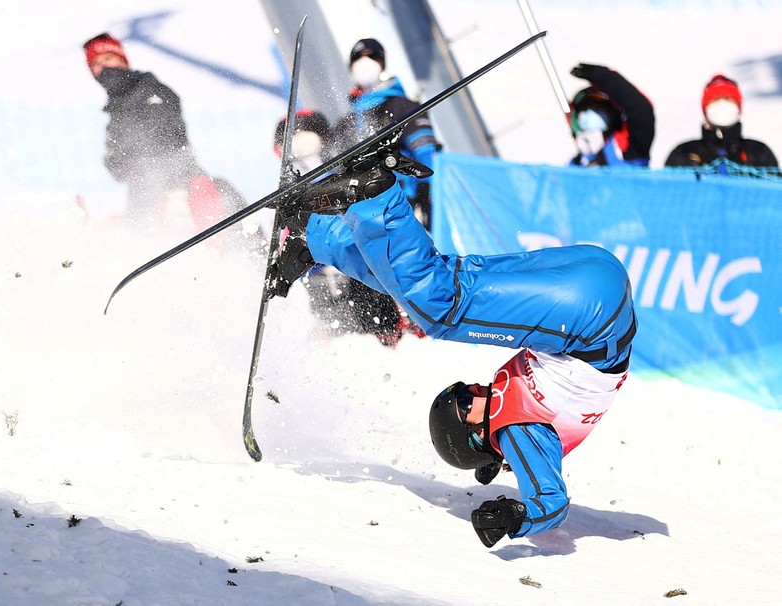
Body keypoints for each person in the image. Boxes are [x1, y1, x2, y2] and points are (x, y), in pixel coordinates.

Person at [268, 146, 636, 548]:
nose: (473, 389)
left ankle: (314, 238)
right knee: (441, 309)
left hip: (597, 286)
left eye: (463, 392)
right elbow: (552, 502)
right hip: (590, 314)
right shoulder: (517, 431)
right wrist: (516, 517)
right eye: (464, 401)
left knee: (430, 289)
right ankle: (376, 192)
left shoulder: (514, 420)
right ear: (477, 435)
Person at [271, 110, 421, 346]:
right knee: (334, 334)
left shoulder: (343, 178)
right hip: (319, 279)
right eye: (294, 145)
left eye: (308, 141)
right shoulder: (288, 191)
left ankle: (393, 335)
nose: (303, 150)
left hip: (358, 273)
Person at [83, 33, 240, 229]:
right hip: (144, 197)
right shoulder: (116, 113)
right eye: (95, 64)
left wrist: (173, 190)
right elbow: (118, 169)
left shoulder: (151, 90)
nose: (104, 68)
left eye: (108, 58)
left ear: (122, 59)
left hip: (180, 190)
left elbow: (168, 141)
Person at [332, 38, 442, 229]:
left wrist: (425, 197)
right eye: (358, 58)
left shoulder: (401, 106)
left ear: (382, 63)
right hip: (361, 215)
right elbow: (336, 169)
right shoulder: (345, 123)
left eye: (372, 56)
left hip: (401, 206)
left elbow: (427, 153)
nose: (365, 63)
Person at [665, 74, 778, 172]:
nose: (722, 105)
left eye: (728, 99)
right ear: (706, 109)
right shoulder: (684, 153)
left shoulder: (758, 152)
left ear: (738, 108)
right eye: (715, 100)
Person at [568, 63, 655, 167]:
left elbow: (641, 111)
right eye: (584, 108)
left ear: (612, 114)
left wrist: (605, 78)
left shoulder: (627, 147)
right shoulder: (577, 162)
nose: (590, 113)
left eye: (599, 108)